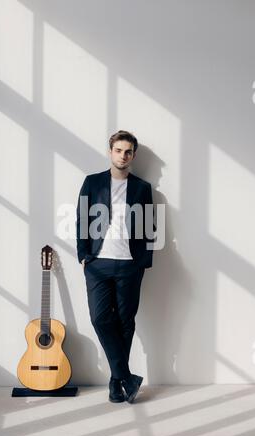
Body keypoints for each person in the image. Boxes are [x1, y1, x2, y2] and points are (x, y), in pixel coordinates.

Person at [76, 130, 156, 403]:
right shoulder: (92, 182)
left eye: (128, 151)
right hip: (98, 263)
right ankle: (127, 377)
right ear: (110, 151)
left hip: (129, 265)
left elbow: (149, 226)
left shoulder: (142, 188)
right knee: (100, 318)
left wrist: (143, 262)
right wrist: (84, 255)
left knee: (125, 322)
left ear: (133, 155)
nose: (123, 156)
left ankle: (115, 382)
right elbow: (81, 219)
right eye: (119, 150)